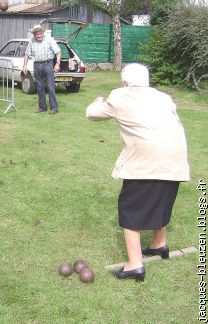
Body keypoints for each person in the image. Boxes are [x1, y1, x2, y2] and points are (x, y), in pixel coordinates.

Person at [86, 63, 190, 282]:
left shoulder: (120, 96)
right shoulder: (163, 97)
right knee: (161, 199)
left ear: (125, 83)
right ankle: (158, 244)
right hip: (176, 158)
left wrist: (98, 101)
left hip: (147, 160)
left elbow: (91, 114)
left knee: (130, 208)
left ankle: (134, 265)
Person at [22, 24, 61, 114]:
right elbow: (27, 54)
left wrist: (57, 64)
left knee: (51, 87)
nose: (38, 35)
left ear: (43, 32)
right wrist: (25, 65)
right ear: (34, 34)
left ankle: (54, 108)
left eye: (40, 33)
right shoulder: (32, 41)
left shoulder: (49, 40)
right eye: (36, 34)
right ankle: (42, 107)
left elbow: (58, 51)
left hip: (48, 64)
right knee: (40, 87)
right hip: (37, 65)